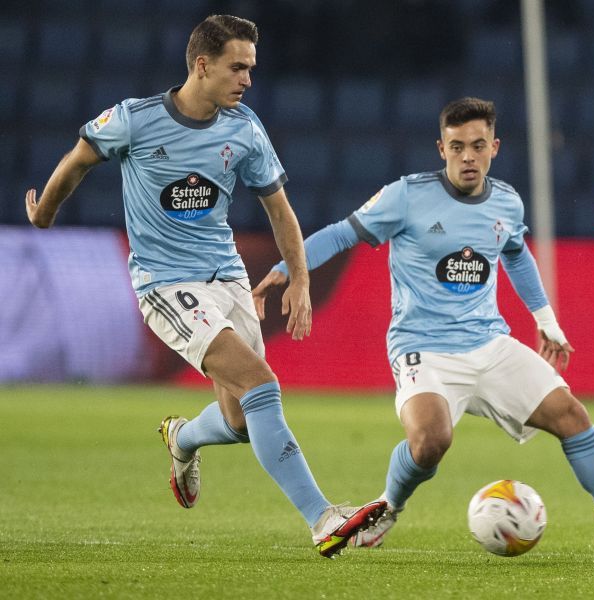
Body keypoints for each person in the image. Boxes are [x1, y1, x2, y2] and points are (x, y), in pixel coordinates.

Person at [24, 14, 384, 559]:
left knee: (241, 421)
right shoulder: (134, 120)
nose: (247, 79)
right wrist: (44, 215)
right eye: (238, 67)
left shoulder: (244, 128)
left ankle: (183, 438)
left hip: (228, 278)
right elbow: (78, 160)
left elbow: (280, 212)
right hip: (166, 285)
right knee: (261, 384)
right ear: (202, 65)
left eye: (251, 68)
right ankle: (323, 518)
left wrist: (301, 280)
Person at [252, 97, 594, 556]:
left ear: (495, 146)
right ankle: (388, 506)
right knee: (431, 439)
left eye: (477, 146)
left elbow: (514, 252)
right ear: (441, 148)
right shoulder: (406, 196)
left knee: (572, 417)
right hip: (423, 347)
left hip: (489, 343)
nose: (467, 156)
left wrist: (545, 319)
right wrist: (288, 271)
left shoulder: (507, 202)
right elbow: (340, 232)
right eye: (457, 147)